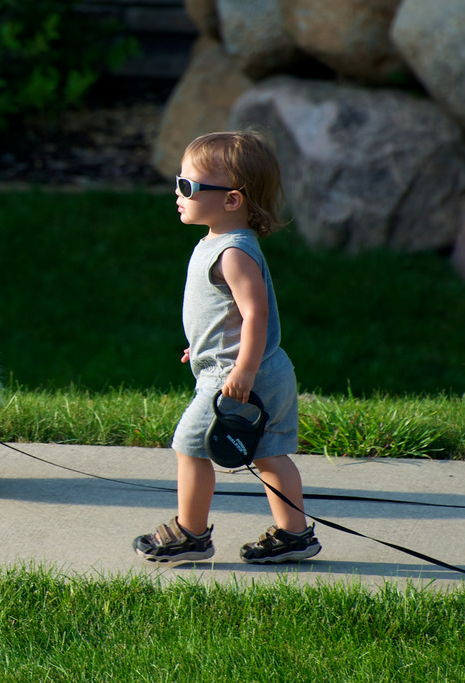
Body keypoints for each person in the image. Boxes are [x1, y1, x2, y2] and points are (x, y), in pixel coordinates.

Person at [133, 130, 321, 565]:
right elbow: (226, 315)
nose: (177, 192)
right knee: (270, 454)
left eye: (187, 185)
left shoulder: (233, 253)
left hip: (239, 376)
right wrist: (201, 346)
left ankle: (191, 534)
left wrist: (242, 371)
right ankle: (295, 535)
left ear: (232, 199)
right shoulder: (215, 242)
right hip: (251, 369)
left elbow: (256, 316)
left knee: (190, 445)